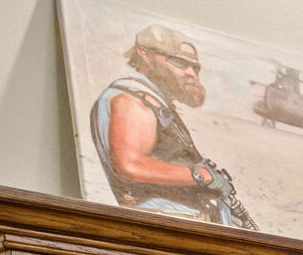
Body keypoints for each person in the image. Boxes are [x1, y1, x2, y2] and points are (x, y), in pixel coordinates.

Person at [88, 23, 256, 227]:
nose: (191, 73)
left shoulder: (152, 99)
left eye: (195, 67)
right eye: (179, 62)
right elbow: (131, 165)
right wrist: (201, 175)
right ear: (145, 54)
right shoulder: (133, 98)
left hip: (178, 219)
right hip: (166, 219)